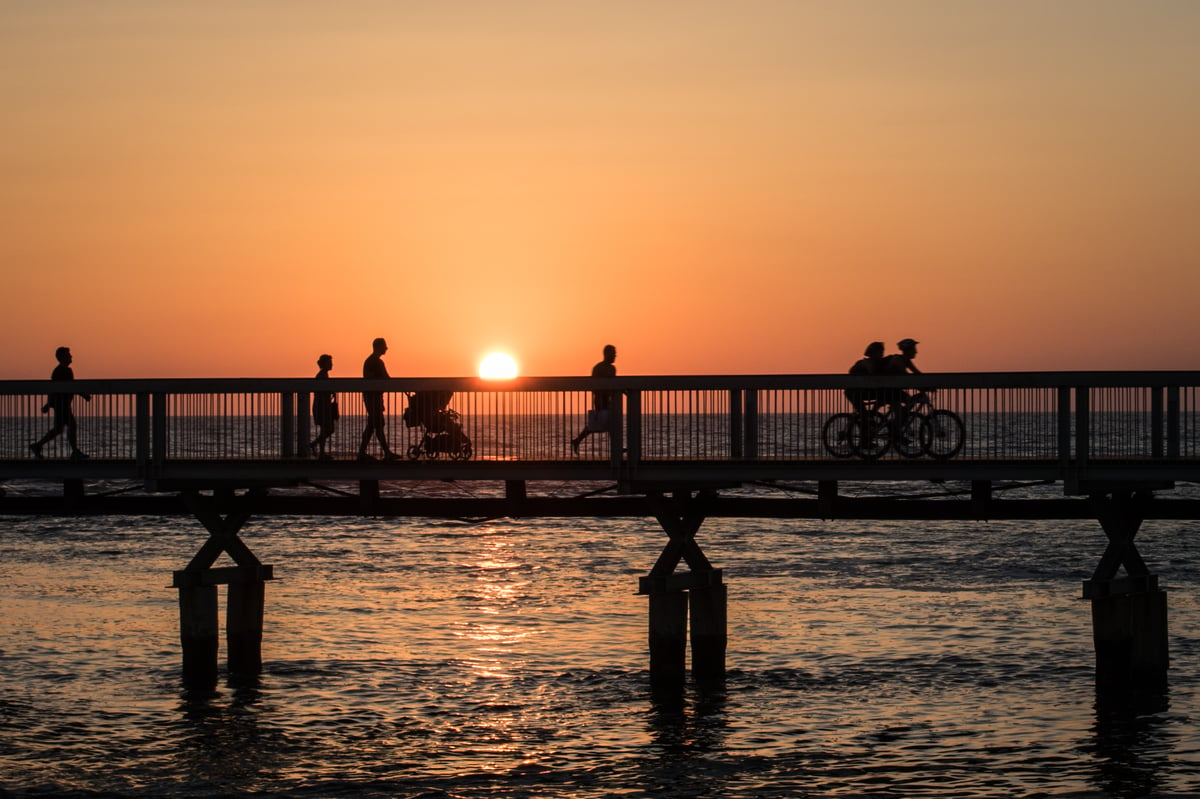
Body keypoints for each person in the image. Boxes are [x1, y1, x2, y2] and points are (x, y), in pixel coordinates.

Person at [30, 346, 92, 460]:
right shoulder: (60, 371)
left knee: (59, 429)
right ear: (62, 357)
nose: (71, 356)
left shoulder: (65, 370)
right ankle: (74, 451)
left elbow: (67, 386)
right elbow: (61, 387)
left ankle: (38, 445)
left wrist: (49, 404)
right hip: (61, 405)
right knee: (70, 426)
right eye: (68, 355)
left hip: (63, 404)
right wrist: (83, 395)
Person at [358, 338, 400, 461]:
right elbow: (386, 378)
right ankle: (385, 453)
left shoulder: (369, 361)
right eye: (384, 346)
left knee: (373, 425)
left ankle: (365, 452)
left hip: (372, 397)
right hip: (373, 398)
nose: (386, 348)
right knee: (377, 425)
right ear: (378, 347)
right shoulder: (375, 362)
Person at [571, 344, 617, 455]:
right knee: (603, 424)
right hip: (600, 399)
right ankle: (616, 448)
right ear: (607, 354)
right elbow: (594, 385)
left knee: (606, 424)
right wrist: (600, 400)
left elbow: (615, 385)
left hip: (609, 400)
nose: (615, 356)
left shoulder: (612, 369)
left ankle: (577, 440)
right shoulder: (599, 368)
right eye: (613, 353)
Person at [310, 354, 338, 460]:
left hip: (323, 406)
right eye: (330, 362)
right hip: (322, 407)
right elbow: (322, 391)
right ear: (325, 364)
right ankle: (318, 449)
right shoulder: (322, 375)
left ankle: (318, 448)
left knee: (327, 429)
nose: (332, 365)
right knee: (328, 429)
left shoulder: (323, 375)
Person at [846, 341, 885, 413]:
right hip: (854, 392)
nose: (882, 354)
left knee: (884, 396)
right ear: (874, 352)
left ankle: (872, 414)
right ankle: (868, 418)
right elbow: (872, 373)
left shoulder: (875, 363)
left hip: (863, 391)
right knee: (863, 415)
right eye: (880, 352)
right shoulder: (866, 363)